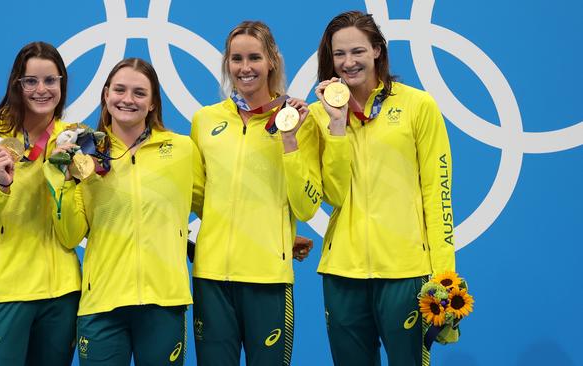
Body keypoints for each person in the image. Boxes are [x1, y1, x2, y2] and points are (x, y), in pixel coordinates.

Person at [310, 11, 456, 366]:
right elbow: (333, 194)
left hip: (405, 272)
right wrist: (337, 124)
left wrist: (445, 276)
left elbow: (438, 195)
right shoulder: (319, 115)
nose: (348, 63)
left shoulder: (417, 105)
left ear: (377, 50)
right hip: (343, 272)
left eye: (357, 51)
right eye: (339, 54)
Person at [45, 57, 204, 366]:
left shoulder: (182, 150)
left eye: (139, 92)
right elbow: (69, 235)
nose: (128, 99)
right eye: (119, 90)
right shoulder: (84, 152)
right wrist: (61, 179)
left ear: (153, 102)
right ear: (106, 95)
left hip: (164, 302)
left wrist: (276, 236)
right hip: (102, 304)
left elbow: (216, 206)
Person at [189, 20, 326, 366]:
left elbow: (307, 206)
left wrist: (290, 140)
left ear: (272, 62)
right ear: (227, 64)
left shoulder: (298, 119)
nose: (245, 68)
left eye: (254, 58)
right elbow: (199, 196)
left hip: (268, 280)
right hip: (211, 279)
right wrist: (251, 225)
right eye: (236, 59)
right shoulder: (205, 121)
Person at [0, 41, 81, 366]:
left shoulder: (73, 139)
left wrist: (62, 180)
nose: (42, 89)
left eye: (51, 80)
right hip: (5, 294)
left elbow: (77, 228)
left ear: (62, 84)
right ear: (16, 85)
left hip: (62, 296)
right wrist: (0, 187)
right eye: (31, 81)